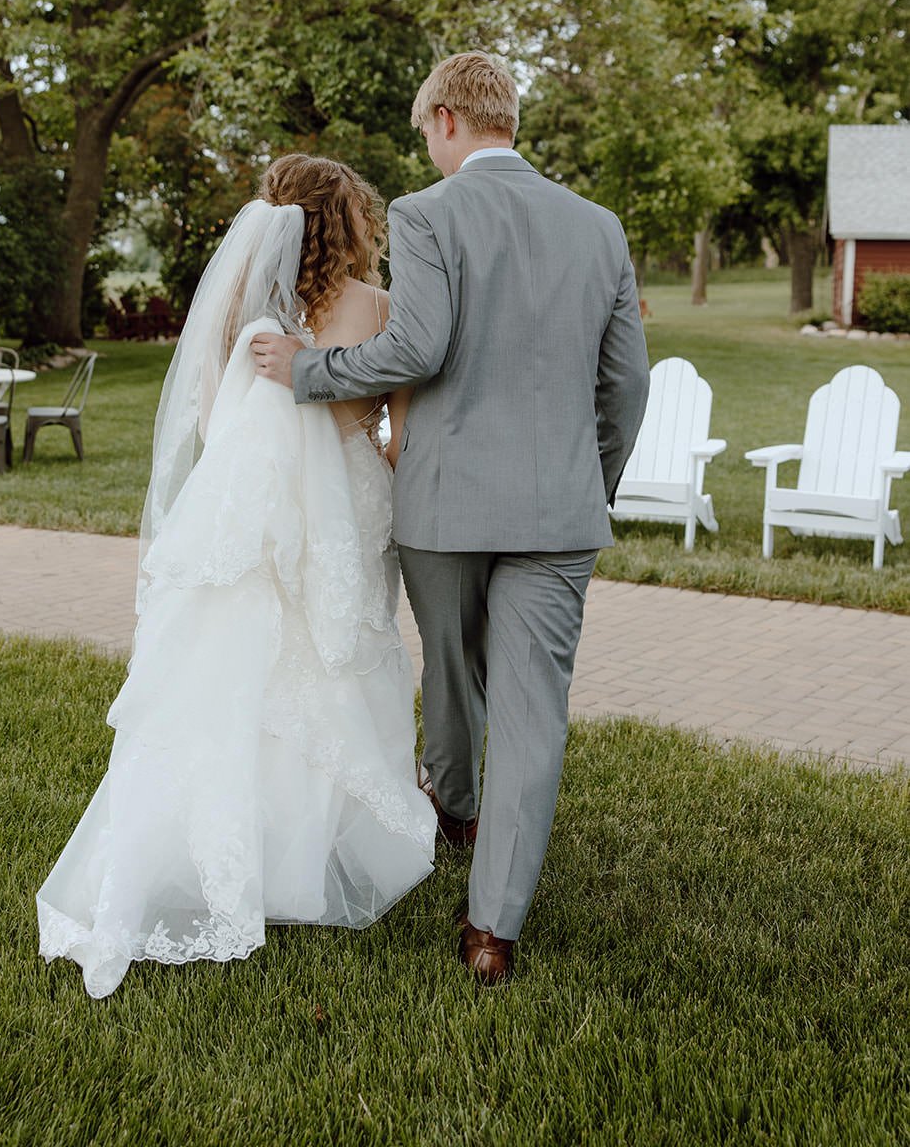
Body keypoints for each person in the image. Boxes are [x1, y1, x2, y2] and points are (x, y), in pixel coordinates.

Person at [253, 51, 650, 985]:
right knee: (533, 712)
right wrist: (590, 480)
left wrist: (307, 373)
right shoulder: (598, 227)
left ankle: (455, 809)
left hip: (441, 505)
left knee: (450, 665)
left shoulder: (427, 214)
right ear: (505, 117)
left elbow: (416, 346)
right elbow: (625, 383)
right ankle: (490, 930)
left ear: (443, 121)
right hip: (559, 511)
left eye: (423, 130)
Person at [37, 156, 436, 998]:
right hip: (350, 513)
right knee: (329, 672)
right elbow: (394, 437)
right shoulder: (378, 308)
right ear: (351, 221)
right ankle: (308, 862)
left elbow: (216, 423)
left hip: (249, 518)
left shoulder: (234, 314)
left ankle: (227, 854)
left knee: (242, 679)